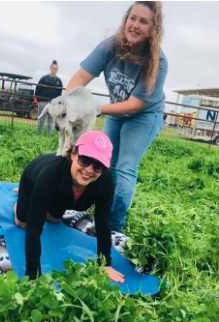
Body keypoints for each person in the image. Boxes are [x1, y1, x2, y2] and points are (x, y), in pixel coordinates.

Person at [65, 1, 168, 233]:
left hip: (145, 115)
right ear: (126, 19)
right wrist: (68, 103)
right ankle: (98, 209)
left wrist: (95, 109)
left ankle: (113, 227)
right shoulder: (110, 47)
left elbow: (134, 104)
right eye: (133, 18)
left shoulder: (158, 63)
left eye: (143, 21)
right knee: (102, 161)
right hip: (117, 111)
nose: (135, 25)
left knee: (124, 167)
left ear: (153, 28)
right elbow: (81, 76)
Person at [14, 130, 125, 283]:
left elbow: (102, 220)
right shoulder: (50, 174)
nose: (89, 170)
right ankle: (25, 197)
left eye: (98, 165)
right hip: (34, 178)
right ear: (73, 154)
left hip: (61, 194)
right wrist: (34, 276)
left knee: (53, 219)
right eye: (85, 159)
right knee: (22, 222)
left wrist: (105, 264)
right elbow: (34, 228)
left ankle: (38, 199)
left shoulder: (104, 180)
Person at [35, 60, 63, 135]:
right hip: (43, 102)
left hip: (53, 104)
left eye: (55, 69)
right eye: (53, 68)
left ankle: (48, 135)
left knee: (51, 120)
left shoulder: (59, 81)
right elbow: (38, 89)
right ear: (50, 69)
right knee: (41, 118)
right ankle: (38, 133)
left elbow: (59, 93)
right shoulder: (44, 78)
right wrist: (37, 99)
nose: (54, 70)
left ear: (57, 70)